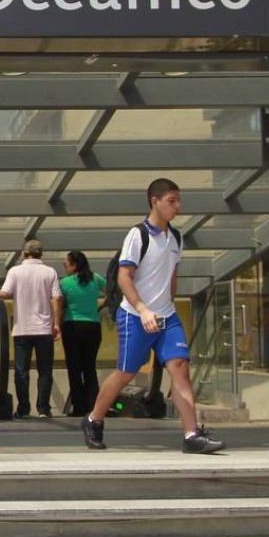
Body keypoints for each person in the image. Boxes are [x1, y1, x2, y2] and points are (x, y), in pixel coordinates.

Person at [83, 178, 225, 454]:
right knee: (126, 373)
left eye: (178, 201)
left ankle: (191, 435)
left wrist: (165, 308)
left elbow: (171, 276)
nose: (177, 207)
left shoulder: (177, 238)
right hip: (135, 315)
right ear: (155, 202)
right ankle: (93, 419)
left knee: (180, 369)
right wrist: (143, 309)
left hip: (166, 318)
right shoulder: (138, 235)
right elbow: (125, 278)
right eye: (171, 201)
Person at [0, 238, 61, 418]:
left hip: (22, 329)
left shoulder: (15, 271)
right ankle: (44, 409)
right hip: (44, 329)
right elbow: (57, 298)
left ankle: (23, 409)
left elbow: (5, 292)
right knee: (45, 371)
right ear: (41, 253)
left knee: (21, 371)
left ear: (23, 253)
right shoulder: (50, 272)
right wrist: (56, 324)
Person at [56, 251, 103, 418]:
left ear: (74, 265)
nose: (64, 267)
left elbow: (60, 307)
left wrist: (57, 325)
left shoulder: (65, 283)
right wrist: (99, 307)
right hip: (93, 326)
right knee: (90, 367)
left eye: (66, 264)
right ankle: (93, 406)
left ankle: (79, 407)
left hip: (73, 326)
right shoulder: (95, 278)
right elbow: (112, 291)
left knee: (74, 368)